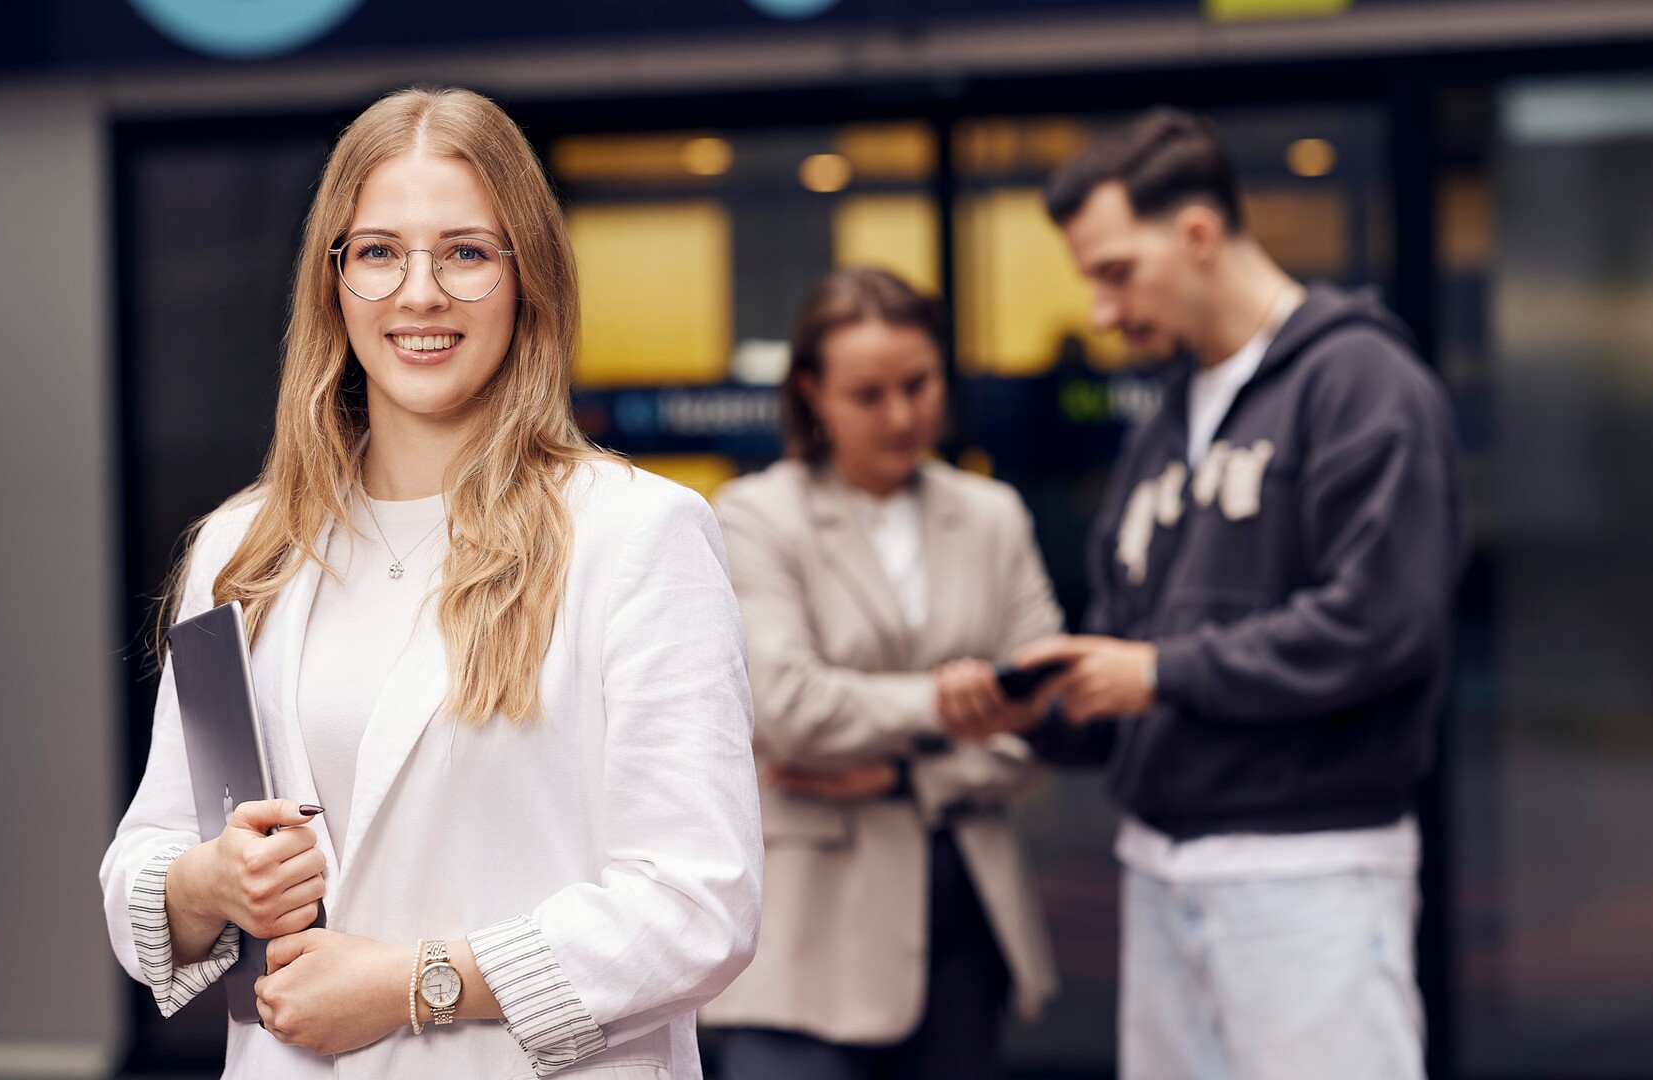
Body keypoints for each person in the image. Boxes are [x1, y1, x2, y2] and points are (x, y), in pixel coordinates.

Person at [99, 87, 762, 1079]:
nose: (419, 294)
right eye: (378, 252)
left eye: (465, 252)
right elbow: (141, 865)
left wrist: (415, 982)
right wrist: (208, 882)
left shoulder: (636, 535)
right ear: (332, 281)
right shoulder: (244, 547)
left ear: (527, 278)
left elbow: (699, 907)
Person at [1004, 109, 1464, 1079]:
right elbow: (1130, 653)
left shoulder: (1360, 381)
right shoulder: (1163, 422)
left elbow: (1382, 622)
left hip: (1310, 868)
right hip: (1158, 866)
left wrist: (1158, 673)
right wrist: (1037, 709)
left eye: (1115, 271)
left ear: (1199, 233)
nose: (1100, 312)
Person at [698, 267, 1059, 1079]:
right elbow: (789, 706)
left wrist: (903, 776)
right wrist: (955, 700)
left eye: (918, 385)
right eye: (869, 394)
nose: (901, 415)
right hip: (811, 935)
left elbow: (1042, 708)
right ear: (813, 392)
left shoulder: (993, 516)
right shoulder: (755, 516)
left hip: (963, 923)